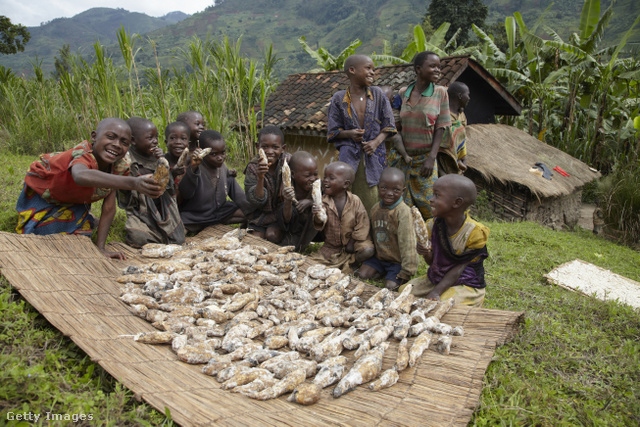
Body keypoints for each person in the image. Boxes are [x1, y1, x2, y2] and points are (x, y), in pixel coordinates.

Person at [15, 118, 162, 259]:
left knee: (81, 236)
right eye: (111, 137)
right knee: (43, 235)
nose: (117, 145)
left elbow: (109, 207)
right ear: (94, 136)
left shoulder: (119, 167)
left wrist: (101, 248)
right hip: (44, 196)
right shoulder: (83, 154)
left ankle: (82, 217)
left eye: (124, 142)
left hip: (73, 200)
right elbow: (80, 175)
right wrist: (134, 183)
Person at [402, 174, 489, 307]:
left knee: (443, 303)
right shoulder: (432, 226)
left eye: (437, 195)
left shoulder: (474, 233)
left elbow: (459, 268)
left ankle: (474, 300)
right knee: (404, 291)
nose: (431, 200)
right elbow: (432, 262)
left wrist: (436, 292)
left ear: (457, 202)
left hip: (466, 282)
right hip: (438, 277)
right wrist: (426, 252)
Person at [327, 54, 397, 211]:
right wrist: (349, 134)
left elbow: (389, 126)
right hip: (349, 157)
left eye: (373, 69)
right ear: (352, 70)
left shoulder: (378, 94)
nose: (372, 72)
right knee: (348, 198)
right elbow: (332, 132)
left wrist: (375, 143)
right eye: (368, 68)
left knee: (373, 198)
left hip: (374, 157)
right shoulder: (338, 98)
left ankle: (372, 233)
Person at [388, 51, 452, 220]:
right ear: (418, 69)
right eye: (433, 66)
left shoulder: (440, 93)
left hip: (425, 159)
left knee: (430, 204)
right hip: (402, 160)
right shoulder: (403, 93)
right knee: (403, 207)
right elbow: (397, 126)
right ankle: (410, 243)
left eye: (439, 67)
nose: (438, 70)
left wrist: (432, 157)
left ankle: (434, 242)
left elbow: (441, 127)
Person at [117, 117, 185, 247]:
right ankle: (154, 237)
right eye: (150, 138)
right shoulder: (127, 160)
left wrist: (161, 161)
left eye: (156, 137)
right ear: (133, 141)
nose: (155, 142)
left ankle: (162, 236)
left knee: (179, 239)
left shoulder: (158, 158)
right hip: (141, 211)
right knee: (137, 236)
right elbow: (125, 192)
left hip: (162, 206)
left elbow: (168, 185)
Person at [356, 167, 419, 290]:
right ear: (378, 187)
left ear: (403, 191)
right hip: (379, 257)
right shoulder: (375, 208)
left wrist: (407, 270)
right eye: (384, 188)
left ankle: (391, 275)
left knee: (390, 286)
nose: (389, 193)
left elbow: (408, 243)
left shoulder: (403, 212)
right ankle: (381, 271)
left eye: (396, 190)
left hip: (397, 262)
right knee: (362, 275)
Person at [178, 130, 249, 233]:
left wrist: (251, 210)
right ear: (203, 151)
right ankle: (198, 228)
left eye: (223, 153)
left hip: (219, 213)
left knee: (249, 213)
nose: (220, 158)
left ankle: (214, 225)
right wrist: (193, 169)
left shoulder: (223, 168)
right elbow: (185, 192)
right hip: (197, 216)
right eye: (214, 154)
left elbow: (238, 195)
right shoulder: (195, 167)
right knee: (178, 233)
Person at [309, 161, 374, 273]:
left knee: (368, 250)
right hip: (332, 245)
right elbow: (320, 223)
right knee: (314, 262)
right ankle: (342, 261)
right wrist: (317, 215)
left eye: (331, 178)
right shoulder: (323, 201)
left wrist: (352, 242)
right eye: (325, 177)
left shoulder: (355, 201)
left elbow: (362, 223)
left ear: (345, 184)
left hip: (354, 243)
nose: (325, 181)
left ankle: (353, 262)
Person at [244, 125, 291, 244]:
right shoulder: (253, 167)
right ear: (257, 147)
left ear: (283, 148)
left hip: (282, 213)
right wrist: (260, 178)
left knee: (272, 235)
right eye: (265, 147)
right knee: (254, 241)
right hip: (261, 214)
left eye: (275, 147)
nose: (270, 152)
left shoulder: (288, 161)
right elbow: (257, 200)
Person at [279, 151, 320, 252]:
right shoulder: (286, 187)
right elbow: (286, 219)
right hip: (293, 229)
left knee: (318, 209)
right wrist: (288, 201)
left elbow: (326, 203)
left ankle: (300, 247)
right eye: (307, 176)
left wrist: (310, 201)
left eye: (315, 174)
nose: (313, 179)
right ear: (293, 174)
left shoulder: (319, 187)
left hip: (316, 231)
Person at [440, 81, 470, 174]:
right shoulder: (443, 114)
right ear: (460, 96)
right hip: (442, 164)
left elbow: (462, 139)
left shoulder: (462, 116)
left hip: (457, 165)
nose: (469, 98)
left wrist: (463, 160)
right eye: (467, 95)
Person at [163, 121, 191, 185]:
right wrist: (172, 174)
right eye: (173, 138)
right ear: (166, 142)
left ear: (188, 144)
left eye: (183, 138)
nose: (178, 142)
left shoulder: (191, 162)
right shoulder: (163, 161)